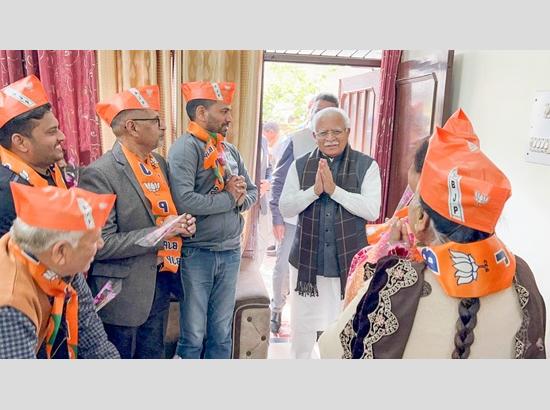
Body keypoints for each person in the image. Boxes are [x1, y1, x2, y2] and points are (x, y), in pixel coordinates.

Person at [318, 109, 546, 359]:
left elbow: (331, 348)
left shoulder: (395, 281)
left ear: (421, 219)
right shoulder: (522, 276)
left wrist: (385, 263)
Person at [78, 85, 196, 359]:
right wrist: (161, 233)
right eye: (155, 120)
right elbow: (102, 244)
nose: (163, 127)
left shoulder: (159, 163)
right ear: (132, 127)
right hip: (122, 296)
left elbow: (165, 215)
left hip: (161, 283)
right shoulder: (99, 174)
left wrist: (182, 227)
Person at [279, 107, 381, 358]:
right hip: (306, 263)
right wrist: (314, 191)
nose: (330, 138)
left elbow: (372, 210)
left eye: (337, 132)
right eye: (323, 133)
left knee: (344, 328)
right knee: (303, 328)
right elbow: (286, 208)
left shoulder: (367, 165)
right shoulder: (300, 165)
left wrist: (334, 190)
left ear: (348, 132)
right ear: (314, 136)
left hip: (348, 263)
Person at [168, 81, 258, 359]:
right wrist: (230, 199)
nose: (230, 118)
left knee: (221, 333)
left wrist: (239, 199)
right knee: (194, 335)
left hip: (230, 252)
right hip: (198, 253)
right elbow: (184, 202)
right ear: (201, 113)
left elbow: (252, 192)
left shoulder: (228, 150)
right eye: (224, 111)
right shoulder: (185, 149)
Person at [0, 183, 120, 359]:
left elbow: (94, 341)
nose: (101, 245)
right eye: (93, 241)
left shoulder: (58, 264)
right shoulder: (10, 305)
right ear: (60, 252)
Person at [268, 93, 339, 334]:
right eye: (318, 111)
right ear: (311, 112)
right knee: (283, 266)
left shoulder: (340, 142)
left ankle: (315, 319)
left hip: (324, 220)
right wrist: (277, 216)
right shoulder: (296, 140)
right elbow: (278, 180)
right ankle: (277, 309)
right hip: (293, 219)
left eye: (327, 112)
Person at [342, 138, 428, 308]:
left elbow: (360, 290)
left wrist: (390, 244)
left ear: (420, 174)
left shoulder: (408, 227)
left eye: (411, 165)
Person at [0, 75, 68, 237]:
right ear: (20, 142)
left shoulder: (49, 166)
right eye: (51, 132)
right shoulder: (7, 196)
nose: (62, 137)